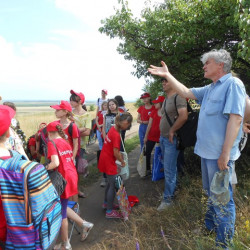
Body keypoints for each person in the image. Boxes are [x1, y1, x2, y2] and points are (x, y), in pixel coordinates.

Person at [148, 49, 246, 249]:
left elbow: (236, 119)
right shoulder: (210, 88)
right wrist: (167, 75)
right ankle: (210, 227)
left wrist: (225, 154)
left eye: (207, 63)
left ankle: (223, 244)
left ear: (220, 65)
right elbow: (185, 92)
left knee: (222, 200)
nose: (203, 66)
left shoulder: (232, 84)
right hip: (207, 153)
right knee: (211, 194)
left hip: (220, 156)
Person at [45, 121, 93, 249]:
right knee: (63, 205)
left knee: (61, 211)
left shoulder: (52, 142)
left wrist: (43, 168)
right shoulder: (65, 141)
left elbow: (55, 163)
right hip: (71, 175)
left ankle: (66, 243)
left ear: (49, 133)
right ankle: (84, 224)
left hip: (62, 178)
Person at [157, 79, 188, 210]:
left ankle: (168, 201)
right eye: (162, 82)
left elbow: (184, 116)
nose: (163, 84)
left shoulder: (179, 97)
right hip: (163, 138)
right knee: (170, 168)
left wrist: (172, 130)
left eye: (166, 82)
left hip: (171, 139)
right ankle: (173, 191)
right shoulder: (166, 99)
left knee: (169, 170)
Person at [98, 112, 133, 219]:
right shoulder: (116, 135)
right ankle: (109, 211)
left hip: (104, 158)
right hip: (109, 162)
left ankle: (106, 203)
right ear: (125, 122)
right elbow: (116, 153)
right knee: (112, 185)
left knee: (109, 183)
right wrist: (122, 162)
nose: (129, 126)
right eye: (128, 124)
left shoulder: (113, 129)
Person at [50, 100, 80, 201]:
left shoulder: (72, 126)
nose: (55, 112)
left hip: (68, 158)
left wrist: (73, 158)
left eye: (58, 110)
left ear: (65, 112)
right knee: (63, 184)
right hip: (58, 159)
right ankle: (68, 208)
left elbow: (76, 144)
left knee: (72, 185)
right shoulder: (56, 125)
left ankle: (75, 208)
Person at [70, 90, 91, 198]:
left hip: (80, 146)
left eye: (72, 100)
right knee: (70, 169)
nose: (70, 102)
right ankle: (71, 191)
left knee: (77, 170)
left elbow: (88, 132)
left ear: (79, 101)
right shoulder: (69, 113)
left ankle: (76, 190)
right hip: (68, 145)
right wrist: (80, 130)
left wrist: (74, 130)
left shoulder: (87, 115)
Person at [143, 95, 164, 177]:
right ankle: (148, 169)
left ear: (161, 103)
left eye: (156, 103)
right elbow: (149, 125)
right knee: (148, 152)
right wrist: (146, 136)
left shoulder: (166, 112)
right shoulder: (153, 112)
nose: (154, 105)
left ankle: (161, 168)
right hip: (151, 136)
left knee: (162, 153)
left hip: (161, 137)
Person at [100, 99, 120, 187]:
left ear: (116, 105)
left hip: (116, 139)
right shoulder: (106, 115)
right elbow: (103, 128)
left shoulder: (119, 115)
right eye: (109, 105)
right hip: (107, 140)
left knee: (116, 157)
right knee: (107, 159)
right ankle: (105, 177)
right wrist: (105, 139)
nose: (111, 106)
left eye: (113, 104)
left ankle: (117, 177)